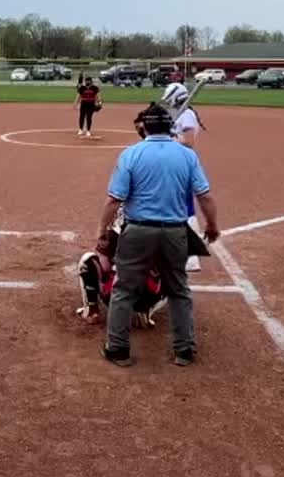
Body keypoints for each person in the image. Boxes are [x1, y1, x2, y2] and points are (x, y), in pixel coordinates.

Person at [94, 102, 219, 367]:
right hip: (175, 232)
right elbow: (204, 196)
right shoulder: (187, 155)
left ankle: (118, 349)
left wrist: (102, 233)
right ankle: (184, 350)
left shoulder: (131, 154)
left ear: (145, 127)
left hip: (138, 231)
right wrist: (212, 225)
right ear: (169, 126)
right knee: (179, 291)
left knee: (124, 290)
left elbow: (113, 201)